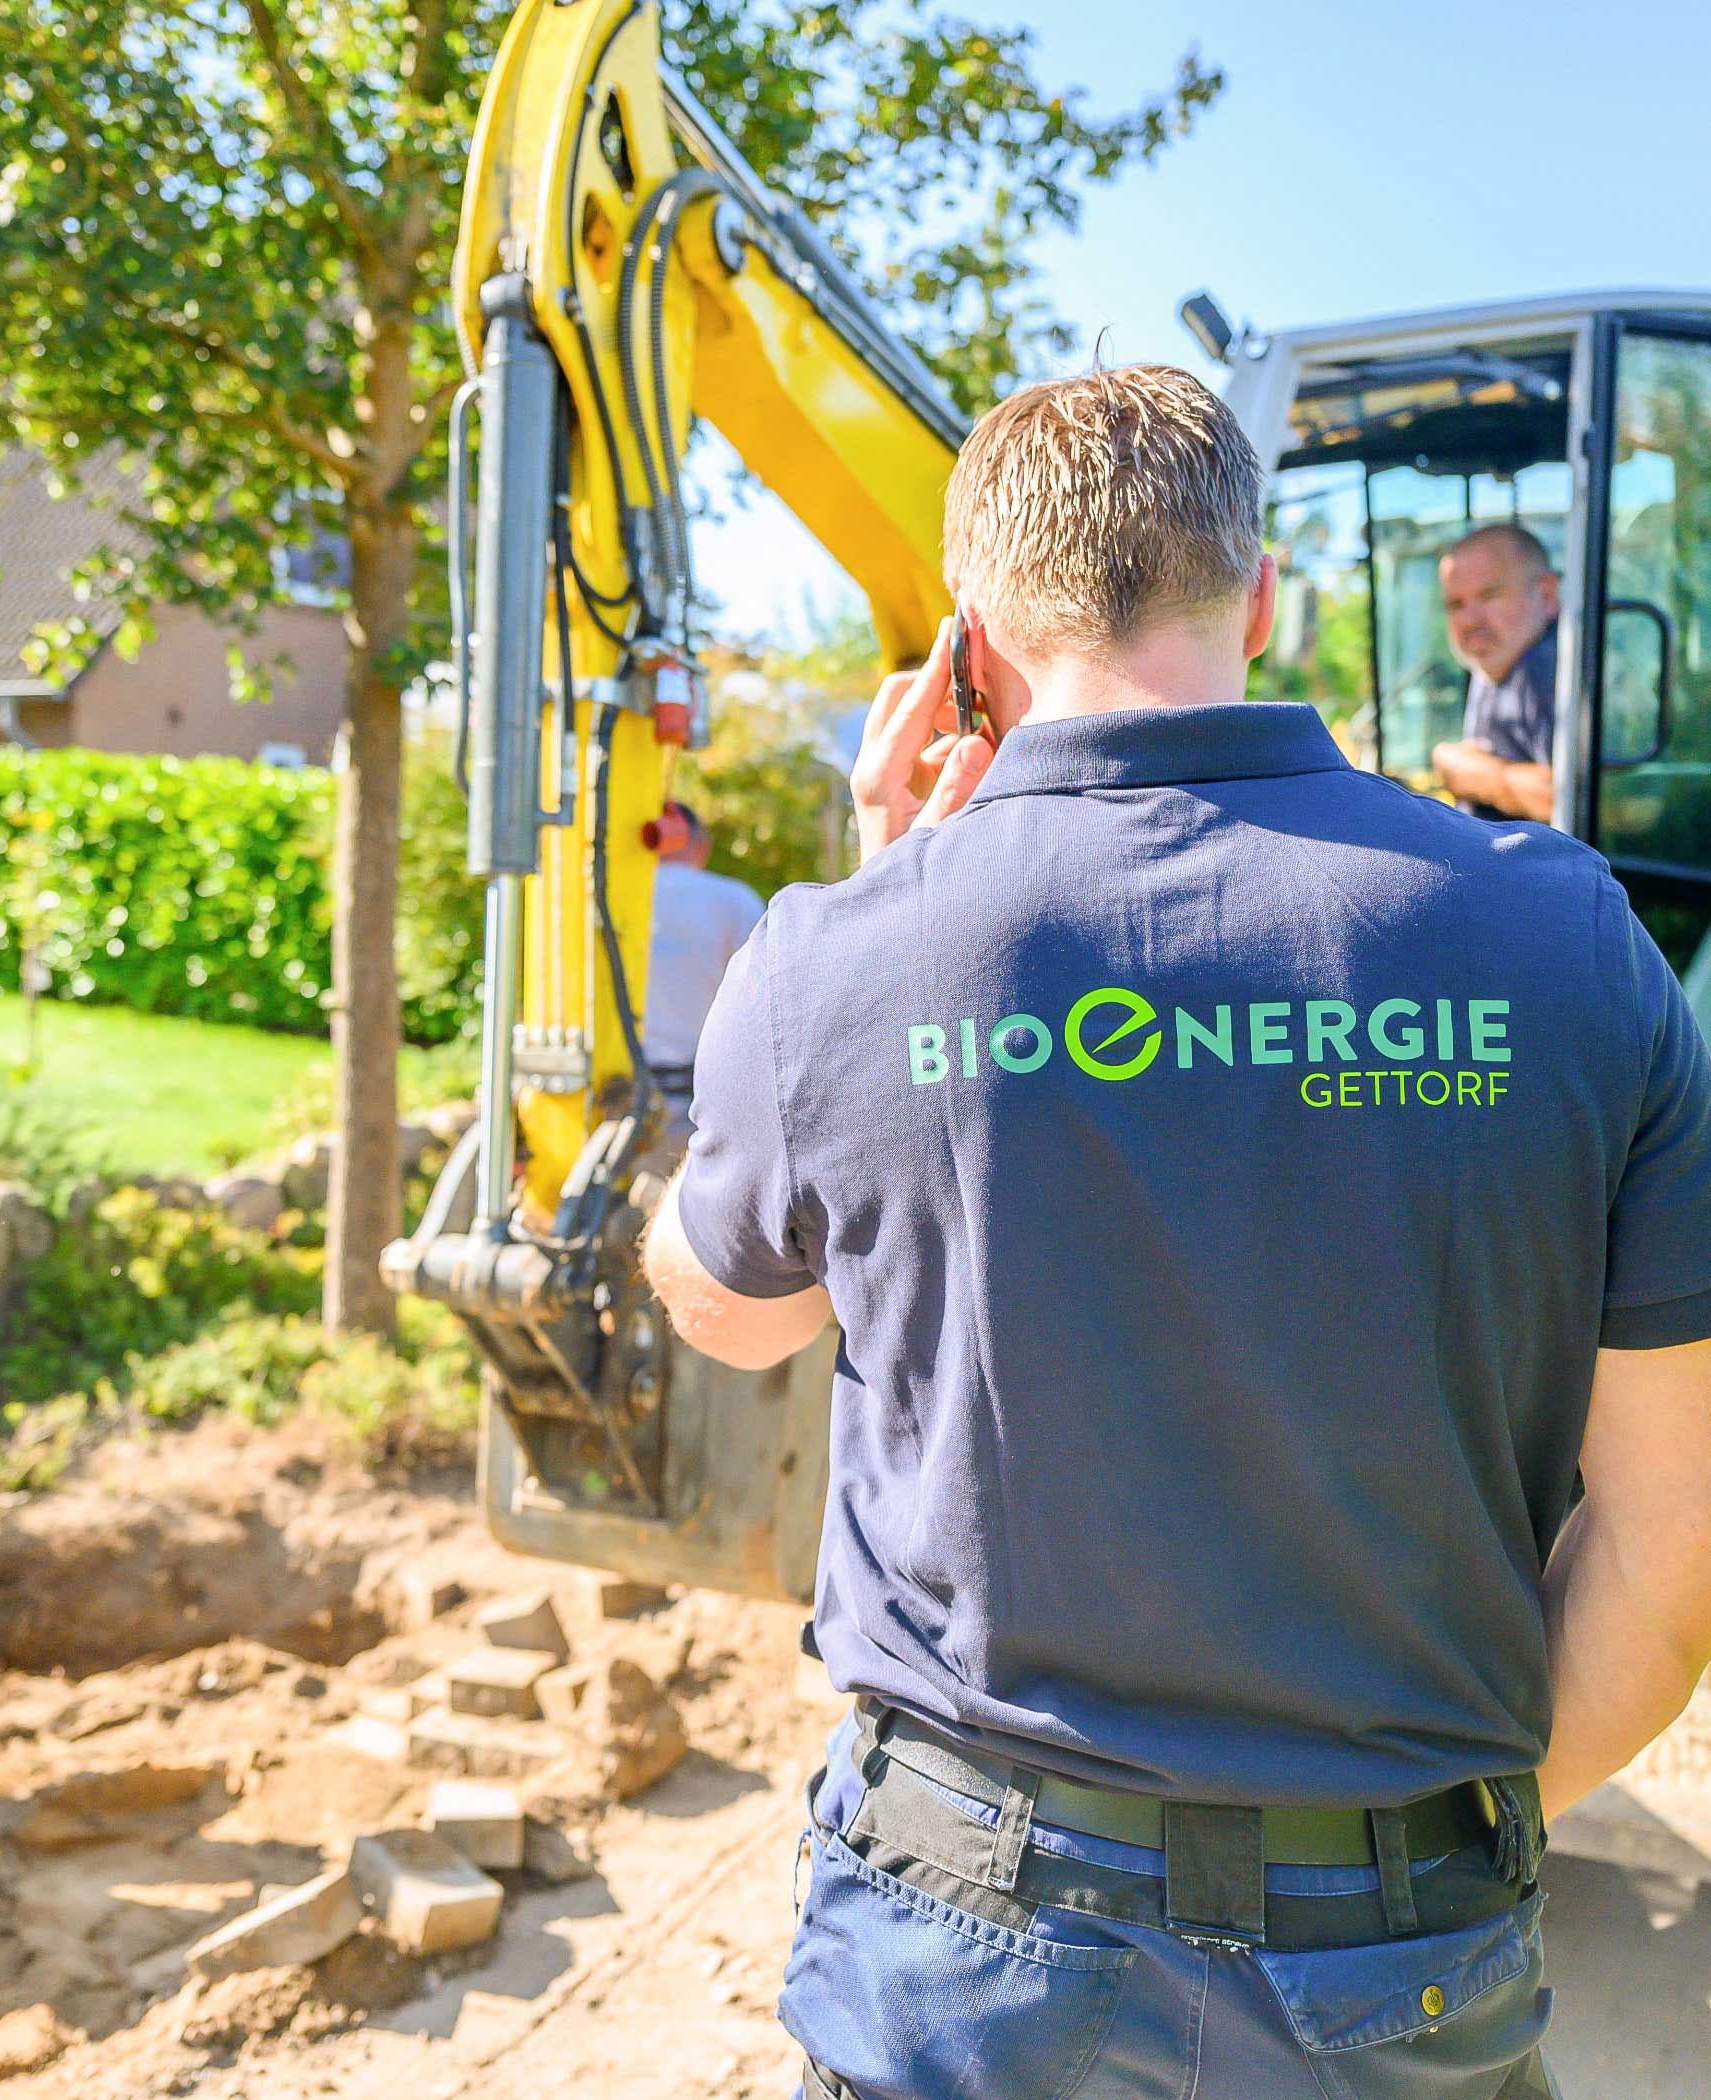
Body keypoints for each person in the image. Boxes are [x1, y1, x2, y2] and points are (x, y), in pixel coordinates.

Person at [643, 364, 1711, 2100]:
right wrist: (1445, 1834)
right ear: (1263, 595)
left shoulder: (833, 957)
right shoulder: (1573, 943)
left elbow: (730, 1309)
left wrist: (883, 880)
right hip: (1397, 1946)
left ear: (971, 641)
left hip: (960, 1941)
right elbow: (1670, 1551)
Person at [642, 799, 765, 1117]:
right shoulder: (735, 901)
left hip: (621, 1096)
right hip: (706, 1101)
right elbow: (763, 1004)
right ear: (701, 844)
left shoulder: (607, 899)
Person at [1430, 522, 1560, 821]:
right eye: (1456, 604)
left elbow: (1608, 805)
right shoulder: (1496, 661)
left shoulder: (1550, 667)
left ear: (1546, 595)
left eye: (1489, 596)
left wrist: (1474, 774)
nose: (1469, 621)